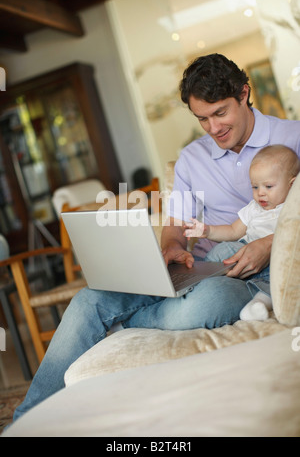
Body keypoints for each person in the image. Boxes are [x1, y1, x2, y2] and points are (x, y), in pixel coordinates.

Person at [13, 53, 300, 422]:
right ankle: (23, 419)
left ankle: (124, 320)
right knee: (90, 298)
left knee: (203, 305)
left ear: (245, 94)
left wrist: (271, 242)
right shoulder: (191, 159)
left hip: (252, 274)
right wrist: (173, 248)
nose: (213, 128)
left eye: (220, 113)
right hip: (202, 265)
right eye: (202, 118)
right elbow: (176, 224)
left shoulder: (291, 137)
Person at [184, 144, 300, 321]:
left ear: (292, 185)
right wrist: (208, 231)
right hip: (243, 253)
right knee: (224, 250)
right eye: (255, 187)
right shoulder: (254, 208)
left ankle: (258, 305)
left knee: (278, 283)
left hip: (278, 263)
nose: (260, 193)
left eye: (268, 186)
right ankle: (197, 281)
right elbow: (233, 230)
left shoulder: (293, 208)